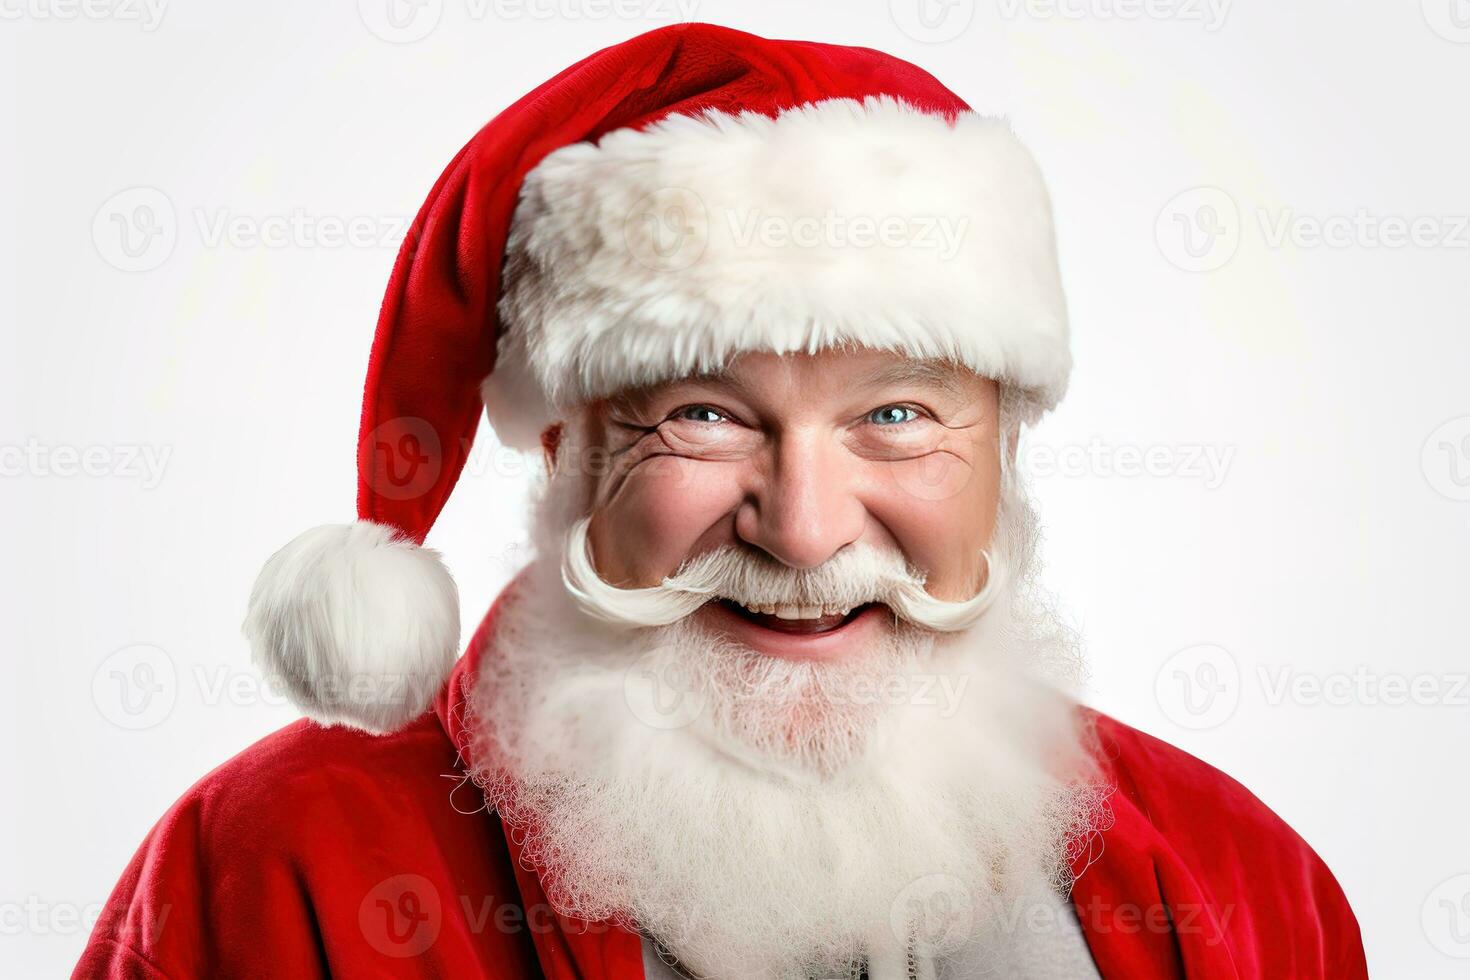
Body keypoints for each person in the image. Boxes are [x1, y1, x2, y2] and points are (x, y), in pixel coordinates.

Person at [75, 22, 1366, 980]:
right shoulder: (272, 872)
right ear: (564, 442)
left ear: (1007, 446)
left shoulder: (1245, 887)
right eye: (702, 414)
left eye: (895, 415)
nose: (803, 529)